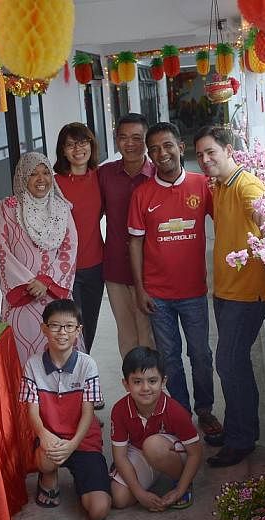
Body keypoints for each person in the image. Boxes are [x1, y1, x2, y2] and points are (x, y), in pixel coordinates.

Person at [127, 121, 224, 445]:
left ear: (180, 147)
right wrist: (141, 289)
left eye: (166, 145)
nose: (161, 153)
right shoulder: (142, 194)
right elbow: (136, 243)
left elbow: (226, 220)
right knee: (170, 359)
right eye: (153, 149)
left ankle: (205, 410)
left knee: (200, 354)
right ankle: (182, 416)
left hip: (194, 292)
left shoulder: (201, 185)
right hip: (158, 296)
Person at [194, 126, 265, 467]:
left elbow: (263, 216)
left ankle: (241, 440)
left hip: (247, 293)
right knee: (234, 364)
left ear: (228, 149)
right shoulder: (220, 187)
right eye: (200, 155)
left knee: (229, 363)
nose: (206, 159)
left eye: (211, 152)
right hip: (225, 291)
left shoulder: (245, 185)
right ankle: (241, 429)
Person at [19, 299, 111, 520]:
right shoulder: (33, 364)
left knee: (99, 510)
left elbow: (88, 413)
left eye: (69, 327)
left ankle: (83, 479)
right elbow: (32, 411)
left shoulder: (87, 365)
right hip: (51, 439)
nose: (62, 333)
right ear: (44, 329)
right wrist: (44, 436)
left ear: (78, 331)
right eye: (54, 326)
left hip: (82, 439)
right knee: (47, 458)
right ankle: (48, 473)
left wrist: (72, 445)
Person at [0, 152, 78, 366]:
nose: (41, 179)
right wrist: (30, 284)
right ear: (22, 177)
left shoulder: (61, 208)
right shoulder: (7, 208)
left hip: (55, 296)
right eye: (33, 174)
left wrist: (46, 282)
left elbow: (70, 248)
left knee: (59, 353)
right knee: (23, 359)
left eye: (46, 173)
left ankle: (61, 400)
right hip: (22, 298)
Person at [109, 346, 203, 511]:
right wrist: (140, 495)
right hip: (140, 452)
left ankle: (181, 480)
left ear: (163, 381)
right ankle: (151, 474)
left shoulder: (175, 410)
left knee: (152, 446)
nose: (145, 388)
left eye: (152, 381)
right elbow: (120, 456)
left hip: (169, 452)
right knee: (119, 499)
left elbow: (195, 453)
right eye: (137, 382)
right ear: (126, 384)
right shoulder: (120, 410)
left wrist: (179, 490)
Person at [98, 113, 155, 360]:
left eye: (136, 138)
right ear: (116, 140)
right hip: (116, 268)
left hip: (152, 270)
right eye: (123, 138)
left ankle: (155, 391)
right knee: (127, 335)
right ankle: (134, 392)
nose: (129, 144)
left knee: (150, 335)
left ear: (146, 141)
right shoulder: (104, 175)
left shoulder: (157, 174)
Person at [53, 123, 104, 355]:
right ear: (63, 151)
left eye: (83, 142)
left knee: (88, 327)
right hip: (65, 271)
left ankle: (83, 377)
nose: (78, 149)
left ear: (91, 146)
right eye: (71, 144)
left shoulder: (100, 178)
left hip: (95, 265)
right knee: (68, 330)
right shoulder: (54, 184)